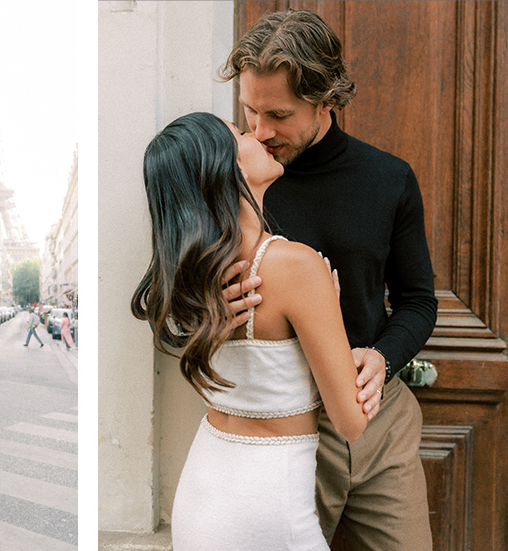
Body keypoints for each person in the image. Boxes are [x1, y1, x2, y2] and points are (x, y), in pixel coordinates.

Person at [220, 10, 438, 550]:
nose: (259, 131)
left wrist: (384, 356)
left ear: (328, 102)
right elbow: (165, 308)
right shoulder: (231, 180)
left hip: (380, 421)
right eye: (249, 110)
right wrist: (210, 313)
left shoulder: (390, 179)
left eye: (278, 114)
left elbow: (417, 301)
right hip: (282, 424)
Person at [132, 111, 368, 550]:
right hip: (268, 510)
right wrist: (338, 327)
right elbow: (350, 422)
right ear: (229, 167)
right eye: (241, 133)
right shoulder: (297, 267)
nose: (257, 134)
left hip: (202, 495)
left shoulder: (192, 274)